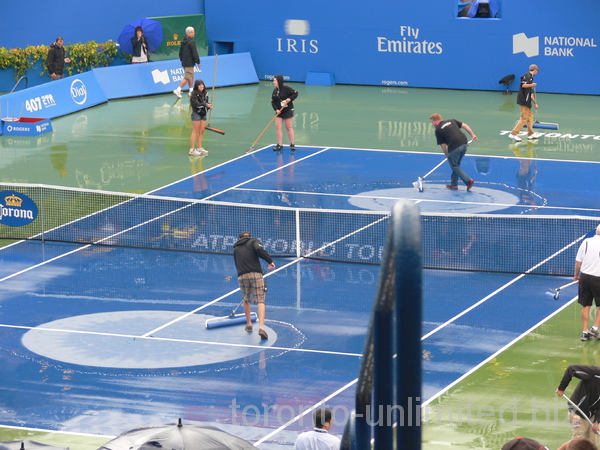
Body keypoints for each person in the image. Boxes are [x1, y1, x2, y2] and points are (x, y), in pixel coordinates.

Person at [233, 231, 276, 340]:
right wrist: (269, 261)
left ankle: (249, 325)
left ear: (240, 239)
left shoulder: (236, 248)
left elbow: (237, 264)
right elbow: (259, 250)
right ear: (249, 237)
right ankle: (261, 328)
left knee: (246, 299)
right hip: (256, 274)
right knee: (260, 300)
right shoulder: (254, 242)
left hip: (242, 276)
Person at [429, 113, 478, 191]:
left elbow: (443, 145)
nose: (432, 124)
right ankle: (453, 184)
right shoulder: (451, 121)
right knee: (456, 165)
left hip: (455, 147)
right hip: (464, 144)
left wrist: (447, 155)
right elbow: (465, 125)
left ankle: (468, 181)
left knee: (454, 166)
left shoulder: (438, 130)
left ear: (436, 121)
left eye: (432, 122)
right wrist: (473, 135)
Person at [556, 364, 600, 446]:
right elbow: (571, 369)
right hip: (577, 412)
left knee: (593, 443)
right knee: (579, 440)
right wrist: (562, 388)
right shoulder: (595, 372)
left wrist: (597, 421)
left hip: (592, 414)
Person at [575, 224, 600, 341]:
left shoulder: (586, 242)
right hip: (598, 279)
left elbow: (578, 262)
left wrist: (576, 275)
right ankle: (594, 328)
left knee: (586, 305)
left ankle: (585, 332)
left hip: (585, 277)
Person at [509, 64, 542, 142]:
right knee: (524, 118)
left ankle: (530, 133)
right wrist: (532, 85)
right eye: (537, 71)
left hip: (527, 102)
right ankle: (513, 134)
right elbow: (523, 85)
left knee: (530, 117)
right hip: (523, 101)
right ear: (535, 70)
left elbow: (530, 93)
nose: (537, 72)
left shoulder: (530, 78)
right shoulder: (527, 76)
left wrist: (535, 103)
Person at [271, 74, 299, 152]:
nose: (273, 82)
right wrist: (276, 109)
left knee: (288, 127)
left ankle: (292, 144)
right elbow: (273, 102)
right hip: (279, 112)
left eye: (275, 81)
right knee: (278, 127)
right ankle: (279, 144)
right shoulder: (275, 91)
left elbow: (295, 93)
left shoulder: (286, 89)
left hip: (288, 110)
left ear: (279, 81)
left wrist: (290, 99)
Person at [173, 27, 201, 99]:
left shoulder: (183, 41)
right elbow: (194, 52)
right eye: (193, 32)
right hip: (189, 63)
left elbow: (180, 53)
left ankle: (191, 91)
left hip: (185, 62)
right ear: (190, 33)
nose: (194, 33)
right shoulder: (192, 42)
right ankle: (178, 89)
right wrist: (198, 61)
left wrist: (183, 60)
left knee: (191, 76)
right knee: (187, 76)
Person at [188, 79, 212, 156]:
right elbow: (196, 104)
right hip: (196, 114)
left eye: (202, 85)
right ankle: (192, 149)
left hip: (203, 114)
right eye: (200, 85)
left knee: (201, 132)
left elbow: (206, 102)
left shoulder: (206, 93)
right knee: (195, 131)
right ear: (197, 86)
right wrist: (206, 105)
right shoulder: (193, 94)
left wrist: (209, 106)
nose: (201, 86)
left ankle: (199, 147)